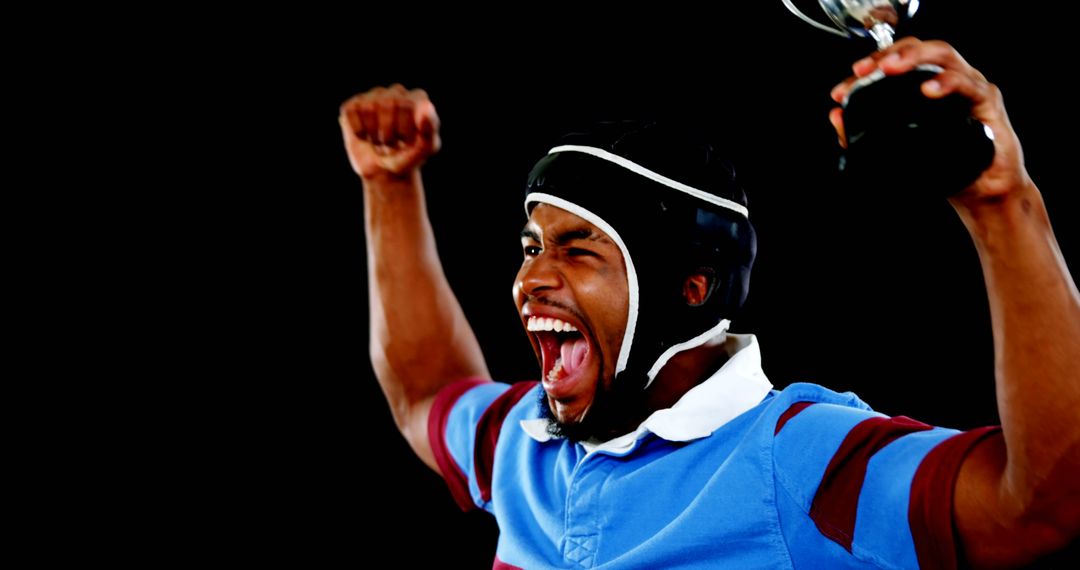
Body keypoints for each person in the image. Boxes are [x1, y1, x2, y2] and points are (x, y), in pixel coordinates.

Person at [338, 39, 1078, 568]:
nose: (532, 278)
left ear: (690, 290)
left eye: (579, 248)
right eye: (533, 246)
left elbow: (1040, 507)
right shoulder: (523, 446)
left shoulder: (799, 458)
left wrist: (1001, 203)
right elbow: (427, 391)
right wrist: (390, 187)